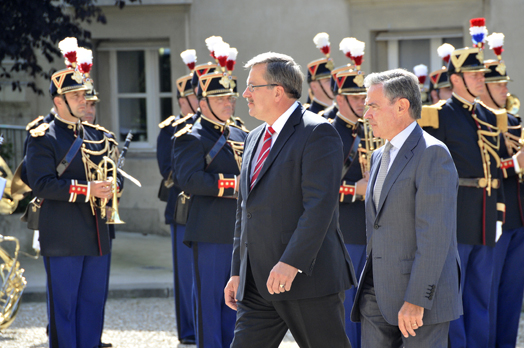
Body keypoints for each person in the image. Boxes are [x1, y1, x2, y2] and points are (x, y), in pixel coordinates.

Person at [225, 52, 356, 348]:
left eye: (251, 86)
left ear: (277, 91)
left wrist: (291, 262)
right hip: (257, 283)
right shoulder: (254, 137)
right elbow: (244, 210)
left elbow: (319, 208)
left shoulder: (317, 132)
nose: (244, 94)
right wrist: (237, 271)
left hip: (305, 280)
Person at [418, 35, 524, 346]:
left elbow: (493, 169)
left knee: (481, 295)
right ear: (456, 79)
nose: (482, 79)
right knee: (455, 297)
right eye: (475, 75)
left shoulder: (490, 117)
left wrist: (499, 213)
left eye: (481, 74)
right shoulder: (438, 115)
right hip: (456, 215)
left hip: (486, 215)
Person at [350, 69, 462, 348]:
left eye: (373, 106)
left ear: (401, 106)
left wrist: (416, 299)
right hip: (376, 294)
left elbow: (435, 236)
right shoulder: (378, 155)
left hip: (420, 300)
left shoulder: (433, 153)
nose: (366, 115)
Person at [25, 39, 122, 348]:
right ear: (59, 101)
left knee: (93, 305)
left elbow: (113, 175)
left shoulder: (99, 135)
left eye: (84, 95)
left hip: (97, 233)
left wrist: (113, 186)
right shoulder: (42, 137)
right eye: (77, 96)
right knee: (64, 309)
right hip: (62, 233)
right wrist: (88, 190)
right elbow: (41, 184)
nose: (84, 101)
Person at [173, 67, 248, 348]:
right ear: (202, 103)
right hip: (210, 231)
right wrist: (233, 184)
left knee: (237, 305)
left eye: (230, 98)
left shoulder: (242, 134)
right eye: (220, 100)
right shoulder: (190, 137)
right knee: (210, 306)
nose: (228, 104)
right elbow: (189, 180)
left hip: (241, 231)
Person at [480, 59, 524, 348]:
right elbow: (484, 169)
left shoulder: (514, 121)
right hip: (493, 221)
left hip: (518, 220)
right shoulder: (478, 121)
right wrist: (516, 164)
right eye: (498, 83)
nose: (505, 87)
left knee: (511, 299)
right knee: (487, 298)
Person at [156, 62, 198, 345]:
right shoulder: (171, 129)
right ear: (183, 100)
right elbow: (168, 171)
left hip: (215, 210)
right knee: (186, 275)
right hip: (183, 209)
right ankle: (189, 330)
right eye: (195, 97)